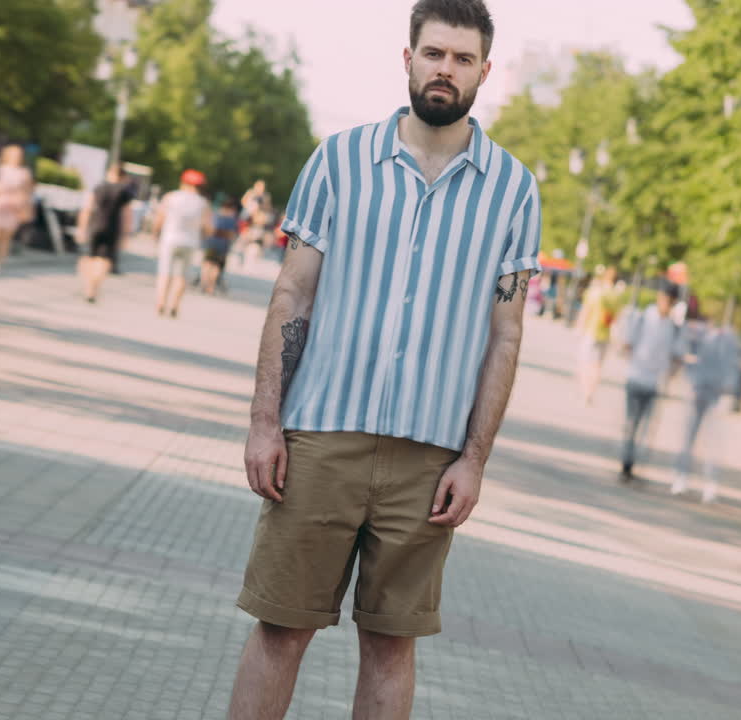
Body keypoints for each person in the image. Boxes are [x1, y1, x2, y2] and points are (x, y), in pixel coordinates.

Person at [226, 2, 541, 717]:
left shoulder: (514, 188)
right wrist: (264, 423)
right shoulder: (338, 161)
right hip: (320, 444)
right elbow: (291, 297)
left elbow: (507, 334)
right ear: (408, 58)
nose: (445, 70)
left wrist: (475, 459)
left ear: (484, 72)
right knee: (281, 629)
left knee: (392, 646)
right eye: (434, 53)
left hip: (428, 464)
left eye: (462, 60)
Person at [671, 316, 741, 503]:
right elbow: (687, 356)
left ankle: (710, 484)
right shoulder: (698, 334)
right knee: (689, 437)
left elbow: (732, 366)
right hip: (698, 390)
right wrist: (691, 382)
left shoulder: (729, 339)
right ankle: (681, 477)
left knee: (713, 441)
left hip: (716, 394)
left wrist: (729, 392)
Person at [619, 282, 686, 484]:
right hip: (635, 377)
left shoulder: (674, 328)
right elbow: (626, 344)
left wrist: (671, 371)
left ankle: (633, 464)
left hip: (654, 383)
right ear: (659, 297)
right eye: (664, 298)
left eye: (670, 301)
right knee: (631, 424)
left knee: (646, 428)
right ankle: (626, 466)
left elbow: (678, 356)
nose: (666, 303)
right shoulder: (642, 318)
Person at [152, 168, 212, 318]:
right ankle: (174, 305)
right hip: (190, 242)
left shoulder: (170, 197)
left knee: (165, 272)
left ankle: (161, 303)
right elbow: (208, 228)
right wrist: (203, 236)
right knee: (182, 275)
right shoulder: (203, 203)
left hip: (169, 239)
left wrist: (155, 234)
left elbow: (159, 218)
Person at [76, 164, 136, 303]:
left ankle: (88, 285)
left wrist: (81, 228)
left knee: (89, 257)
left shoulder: (98, 187)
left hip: (94, 225)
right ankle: (95, 286)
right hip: (112, 228)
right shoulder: (124, 192)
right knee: (105, 260)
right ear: (123, 177)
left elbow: (87, 208)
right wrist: (126, 235)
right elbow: (127, 215)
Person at [0, 144, 34, 273]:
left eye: (19, 155)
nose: (17, 157)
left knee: (5, 237)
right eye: (14, 154)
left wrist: (26, 208)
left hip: (14, 206)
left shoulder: (24, 173)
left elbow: (27, 192)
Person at [575, 267, 625, 405]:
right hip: (605, 334)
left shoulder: (595, 292)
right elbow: (618, 318)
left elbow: (585, 311)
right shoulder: (617, 296)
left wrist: (579, 328)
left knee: (584, 363)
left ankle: (585, 391)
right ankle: (590, 392)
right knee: (597, 366)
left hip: (590, 331)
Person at [202, 197, 239, 295]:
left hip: (211, 242)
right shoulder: (232, 219)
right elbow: (232, 234)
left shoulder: (215, 214)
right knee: (216, 266)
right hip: (223, 244)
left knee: (207, 263)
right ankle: (211, 287)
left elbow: (210, 228)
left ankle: (204, 284)